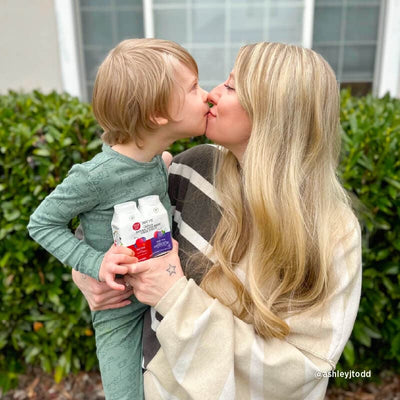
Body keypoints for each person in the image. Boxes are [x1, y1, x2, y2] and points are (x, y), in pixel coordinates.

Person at [72, 42, 362, 399]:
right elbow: (104, 234)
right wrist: (88, 273)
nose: (211, 95)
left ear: (272, 113)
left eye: (230, 85)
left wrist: (175, 299)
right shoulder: (190, 168)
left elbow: (304, 367)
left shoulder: (333, 232)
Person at [27, 38, 209, 400]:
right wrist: (93, 263)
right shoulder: (95, 176)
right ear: (158, 115)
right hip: (120, 311)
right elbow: (41, 223)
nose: (205, 95)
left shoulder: (157, 157)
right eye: (193, 88)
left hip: (165, 299)